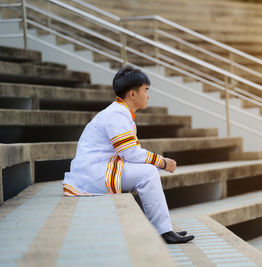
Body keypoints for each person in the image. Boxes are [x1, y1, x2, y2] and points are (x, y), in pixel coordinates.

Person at [63, 65, 194, 244]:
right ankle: (164, 231)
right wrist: (162, 162)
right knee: (148, 172)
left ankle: (164, 229)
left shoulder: (121, 111)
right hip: (93, 174)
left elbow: (129, 152)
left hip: (99, 169)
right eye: (145, 90)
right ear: (133, 94)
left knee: (147, 170)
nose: (148, 95)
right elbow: (130, 152)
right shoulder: (116, 113)